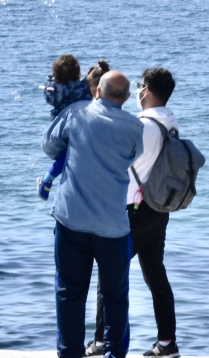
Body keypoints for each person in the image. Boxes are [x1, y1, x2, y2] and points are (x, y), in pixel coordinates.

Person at [42, 71, 144, 358]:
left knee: (69, 293)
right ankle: (114, 355)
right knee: (115, 297)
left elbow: (49, 146)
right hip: (112, 225)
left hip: (71, 219)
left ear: (96, 91)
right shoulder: (134, 127)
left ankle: (70, 354)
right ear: (125, 98)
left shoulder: (75, 112)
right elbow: (134, 156)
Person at [87, 68, 182, 358]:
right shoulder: (170, 123)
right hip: (158, 208)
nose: (138, 90)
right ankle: (167, 343)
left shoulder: (143, 124)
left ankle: (103, 341)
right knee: (155, 273)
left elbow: (117, 160)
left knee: (109, 271)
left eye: (141, 85)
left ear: (148, 90)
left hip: (133, 209)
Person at [37, 55, 96, 201]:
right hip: (75, 125)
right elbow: (89, 100)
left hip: (58, 125)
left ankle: (47, 181)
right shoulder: (80, 87)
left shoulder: (51, 87)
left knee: (66, 155)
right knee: (69, 156)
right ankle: (47, 179)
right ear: (77, 73)